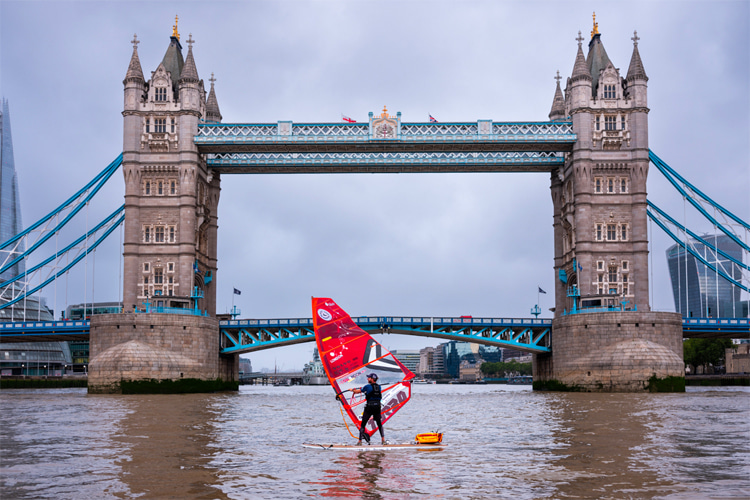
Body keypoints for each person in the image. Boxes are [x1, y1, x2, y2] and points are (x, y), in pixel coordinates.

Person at [351, 373, 386, 445]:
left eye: (369, 378)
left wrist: (352, 390)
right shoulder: (379, 387)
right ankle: (383, 440)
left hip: (369, 407)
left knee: (363, 424)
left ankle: (359, 442)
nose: (367, 379)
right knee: (379, 424)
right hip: (377, 407)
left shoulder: (367, 387)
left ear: (372, 379)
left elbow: (358, 391)